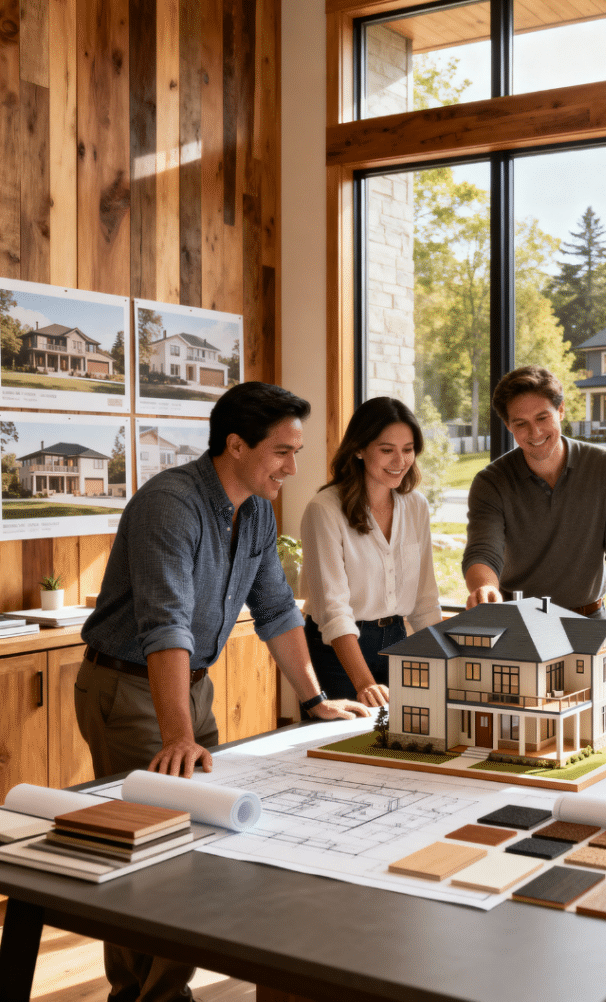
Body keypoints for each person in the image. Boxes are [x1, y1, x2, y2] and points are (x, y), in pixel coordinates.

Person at [76, 381, 369, 1002]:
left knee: (191, 848)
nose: (293, 468)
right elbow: (165, 625)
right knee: (150, 851)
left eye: (295, 452)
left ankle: (156, 993)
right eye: (282, 452)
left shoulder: (255, 511)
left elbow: (277, 610)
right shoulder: (171, 506)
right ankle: (147, 997)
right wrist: (179, 736)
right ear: (235, 445)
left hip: (189, 686)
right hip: (129, 686)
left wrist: (314, 700)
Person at [462, 365, 606, 659]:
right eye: (520, 423)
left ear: (560, 411)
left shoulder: (604, 466)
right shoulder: (491, 482)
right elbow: (483, 551)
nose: (534, 432)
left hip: (590, 623)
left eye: (542, 417)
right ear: (508, 426)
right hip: (520, 628)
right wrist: (484, 588)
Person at [300, 397, 442, 708]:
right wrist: (364, 682)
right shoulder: (324, 509)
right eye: (387, 450)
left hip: (396, 641)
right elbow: (333, 611)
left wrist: (445, 664)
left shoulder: (416, 506)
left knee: (403, 732)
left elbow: (424, 602)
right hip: (337, 649)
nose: (400, 460)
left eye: (408, 449)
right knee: (345, 737)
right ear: (359, 449)